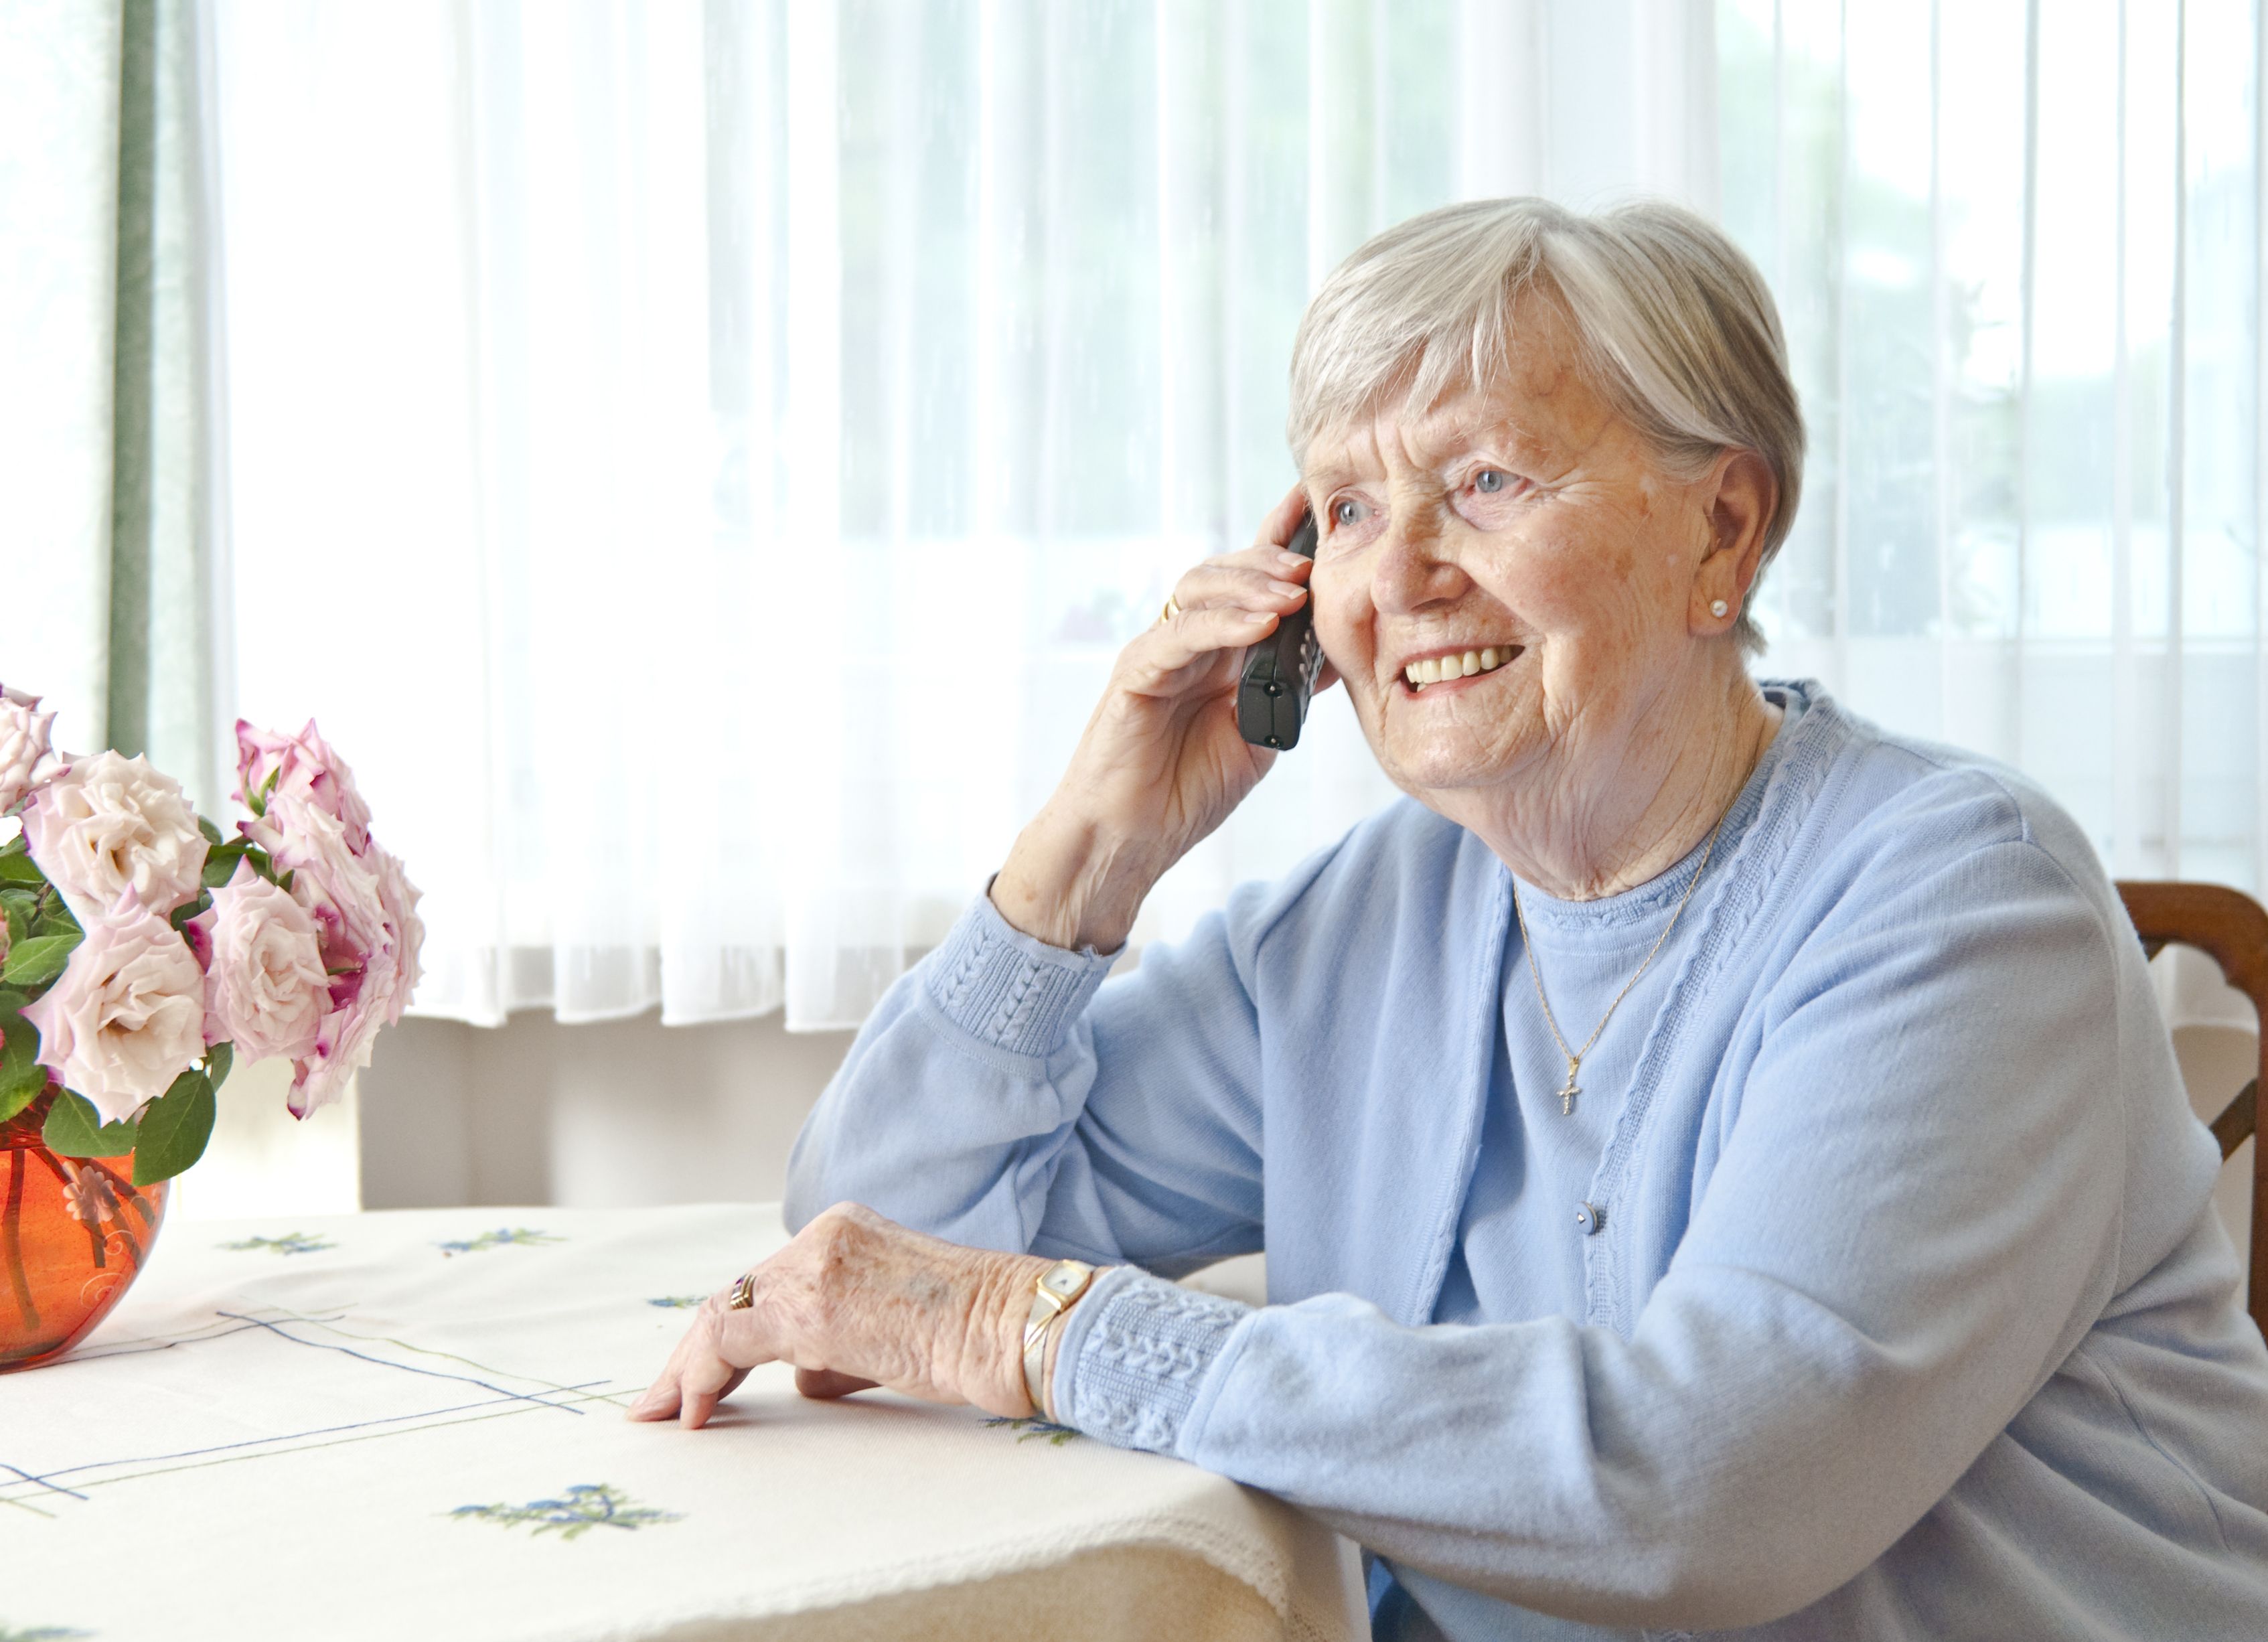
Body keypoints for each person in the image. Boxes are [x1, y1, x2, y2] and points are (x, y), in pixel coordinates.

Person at [632, 198, 2268, 1638]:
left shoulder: (1963, 899)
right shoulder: (1359, 926)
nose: (1396, 571)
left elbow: (1712, 1483)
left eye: (1482, 479)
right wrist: (1090, 850)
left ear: (1723, 526)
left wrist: (1031, 1324)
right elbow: (866, 1251)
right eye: (1341, 507)